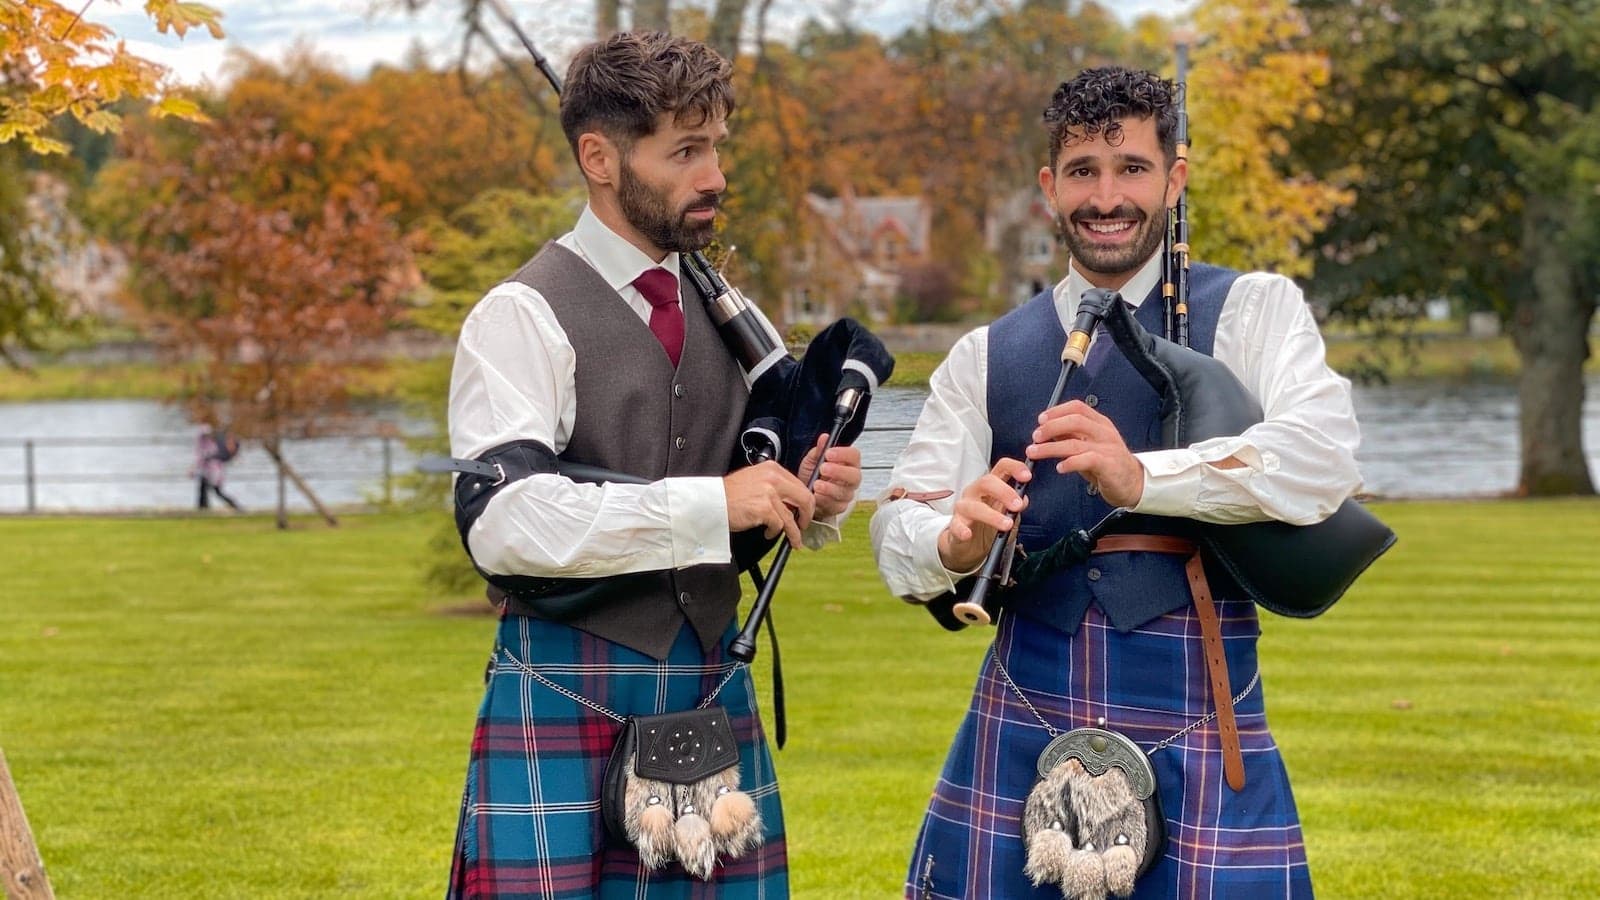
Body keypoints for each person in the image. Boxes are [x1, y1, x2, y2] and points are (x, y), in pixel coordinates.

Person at [870, 66, 1363, 898]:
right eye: (1083, 173)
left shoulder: (1253, 310)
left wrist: (1145, 479)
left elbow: (1323, 461)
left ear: (1175, 177)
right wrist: (953, 538)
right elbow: (896, 531)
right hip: (1024, 703)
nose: (1107, 197)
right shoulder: (986, 354)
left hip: (1200, 709)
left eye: (1131, 168)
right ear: (1048, 188)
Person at [444, 31, 862, 899]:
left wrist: (811, 499)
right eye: (684, 152)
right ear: (599, 157)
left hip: (708, 685)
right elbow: (503, 523)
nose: (712, 175)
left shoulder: (729, 314)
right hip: (567, 685)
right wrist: (716, 503)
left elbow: (756, 485)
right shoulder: (520, 315)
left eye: (714, 148)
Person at [192, 423, 242, 511]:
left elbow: (208, 456)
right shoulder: (221, 443)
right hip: (209, 469)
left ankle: (233, 505)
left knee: (215, 490)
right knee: (204, 487)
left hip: (213, 470)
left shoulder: (223, 452)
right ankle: (203, 507)